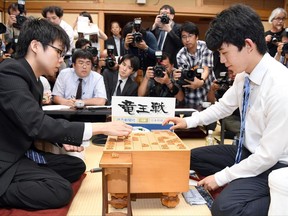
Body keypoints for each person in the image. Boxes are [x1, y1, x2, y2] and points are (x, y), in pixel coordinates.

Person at [163, 4, 288, 216]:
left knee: (225, 208)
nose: (222, 60)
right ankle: (244, 182)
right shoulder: (244, 74)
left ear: (248, 45)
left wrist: (221, 178)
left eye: (224, 52)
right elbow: (223, 107)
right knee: (184, 158)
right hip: (246, 152)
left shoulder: (280, 86)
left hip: (274, 164)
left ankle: (278, 197)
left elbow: (267, 156)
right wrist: (188, 122)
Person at [0, 17, 132, 210]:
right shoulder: (9, 73)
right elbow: (35, 123)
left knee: (76, 166)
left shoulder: (34, 80)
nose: (61, 59)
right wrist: (101, 127)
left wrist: (62, 140)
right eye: (59, 51)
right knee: (60, 190)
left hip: (23, 152)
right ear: (36, 46)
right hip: (7, 159)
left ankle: (34, 174)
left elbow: (28, 122)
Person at [175, 21, 214, 107]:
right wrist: (177, 76)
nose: (187, 40)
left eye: (190, 36)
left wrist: (201, 81)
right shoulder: (180, 54)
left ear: (196, 37)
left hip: (208, 93)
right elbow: (184, 75)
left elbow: (206, 68)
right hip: (190, 95)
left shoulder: (206, 47)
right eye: (184, 37)